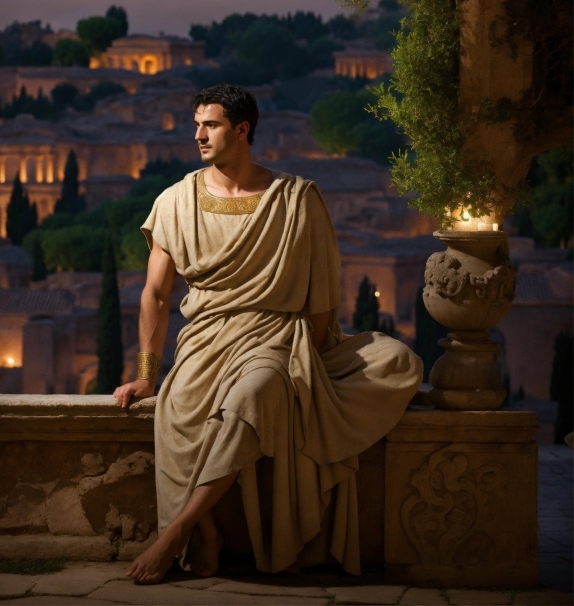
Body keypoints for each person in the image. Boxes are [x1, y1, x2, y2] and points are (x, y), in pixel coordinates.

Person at [114, 84, 423, 585]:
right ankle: (206, 533)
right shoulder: (175, 202)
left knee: (271, 392)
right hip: (205, 342)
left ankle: (175, 534)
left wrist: (303, 363)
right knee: (176, 415)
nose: (198, 135)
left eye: (210, 125)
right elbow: (155, 294)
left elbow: (320, 302)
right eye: (197, 124)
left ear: (242, 130)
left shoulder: (297, 199)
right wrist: (146, 376)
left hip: (278, 341)